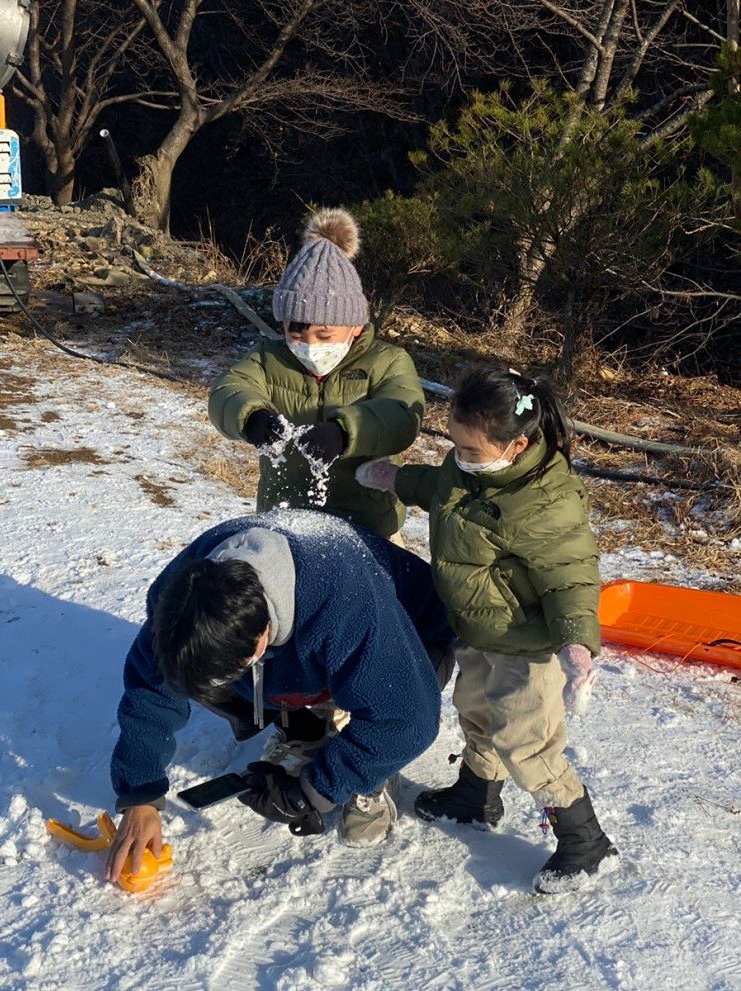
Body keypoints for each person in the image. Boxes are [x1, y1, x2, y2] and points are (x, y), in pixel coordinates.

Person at [356, 366, 619, 894]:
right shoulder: (470, 468)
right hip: (476, 630)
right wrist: (397, 480)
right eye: (453, 442)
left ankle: (586, 842)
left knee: (528, 743)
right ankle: (476, 796)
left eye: (470, 449)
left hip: (527, 646)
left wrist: (576, 645)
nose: (459, 454)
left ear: (517, 444)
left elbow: (570, 577)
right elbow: (444, 488)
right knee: (475, 714)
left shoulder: (547, 503)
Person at [106, 509, 454, 883]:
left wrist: (313, 792)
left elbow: (409, 718)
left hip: (413, 637)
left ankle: (369, 770)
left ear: (264, 633)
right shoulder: (177, 600)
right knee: (200, 675)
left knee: (384, 704)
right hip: (298, 647)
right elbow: (150, 688)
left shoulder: (341, 602)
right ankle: (306, 727)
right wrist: (139, 796)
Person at [208, 208, 425, 541]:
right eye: (296, 332)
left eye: (324, 335)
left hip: (369, 524)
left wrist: (344, 433)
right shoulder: (270, 359)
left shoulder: (388, 361)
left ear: (355, 326)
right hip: (286, 519)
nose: (308, 345)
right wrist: (251, 418)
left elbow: (401, 414)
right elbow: (229, 390)